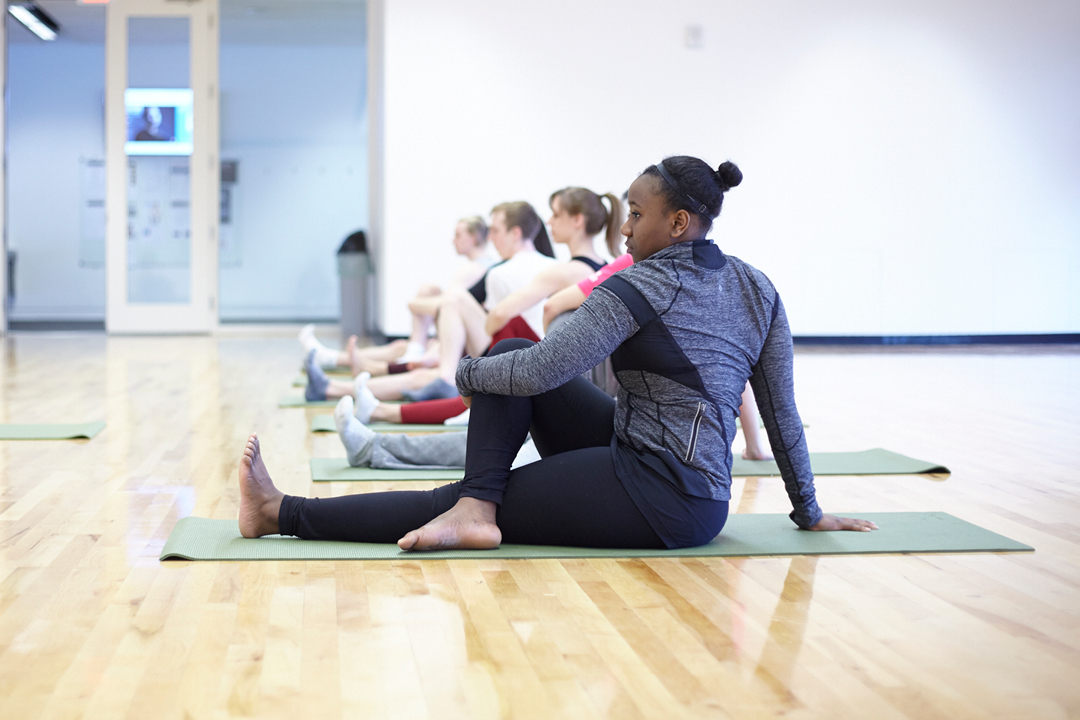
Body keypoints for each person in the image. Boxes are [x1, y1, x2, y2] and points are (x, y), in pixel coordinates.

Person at [239, 155, 877, 550]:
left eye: (635, 214)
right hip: (694, 493)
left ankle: (281, 514)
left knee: (501, 383)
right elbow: (781, 412)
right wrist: (808, 510)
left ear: (679, 222)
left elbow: (547, 367)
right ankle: (476, 506)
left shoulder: (642, 282)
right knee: (508, 367)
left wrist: (460, 372)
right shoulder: (757, 286)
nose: (624, 228)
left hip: (657, 498)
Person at [341, 187, 625, 425]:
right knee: (453, 383)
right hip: (562, 366)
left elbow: (508, 313)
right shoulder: (597, 268)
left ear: (577, 220)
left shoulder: (564, 271)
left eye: (556, 214)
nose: (549, 222)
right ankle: (371, 395)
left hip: (544, 362)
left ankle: (391, 392)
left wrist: (509, 337)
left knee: (464, 387)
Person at [543, 252, 774, 460]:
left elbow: (551, 306)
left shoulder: (634, 265)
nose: (627, 228)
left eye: (636, 214)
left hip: (597, 388)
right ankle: (753, 447)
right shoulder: (701, 273)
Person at [297, 216, 494, 375]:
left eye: (458, 235)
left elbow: (445, 307)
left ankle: (333, 358)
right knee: (404, 339)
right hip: (461, 337)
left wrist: (414, 304)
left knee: (422, 303)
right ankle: (329, 357)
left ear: (474, 237)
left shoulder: (475, 269)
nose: (453, 240)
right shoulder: (479, 267)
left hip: (465, 345)